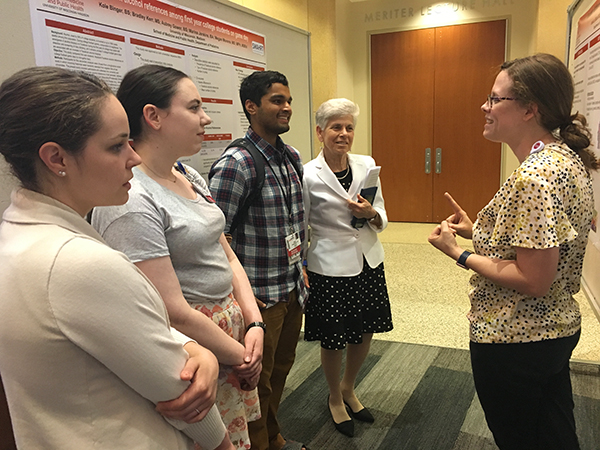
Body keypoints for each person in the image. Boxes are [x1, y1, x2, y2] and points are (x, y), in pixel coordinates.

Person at [0, 66, 235, 450]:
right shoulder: (77, 263)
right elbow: (177, 388)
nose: (132, 158)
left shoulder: (20, 232)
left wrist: (196, 350)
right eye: (115, 146)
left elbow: (132, 331)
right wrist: (221, 441)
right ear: (56, 157)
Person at [428, 53, 598, 450]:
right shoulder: (564, 158)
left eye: (494, 99)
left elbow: (533, 279)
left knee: (520, 438)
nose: (484, 107)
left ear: (528, 110)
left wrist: (459, 253)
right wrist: (479, 232)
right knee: (553, 433)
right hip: (554, 331)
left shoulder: (535, 176)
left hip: (516, 338)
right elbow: (543, 242)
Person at [91, 65, 263, 450]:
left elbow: (227, 256)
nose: (206, 118)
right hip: (194, 348)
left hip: (232, 334)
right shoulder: (132, 198)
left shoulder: (186, 173)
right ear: (153, 117)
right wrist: (241, 356)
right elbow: (169, 308)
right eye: (194, 107)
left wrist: (254, 324)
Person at [208, 71, 308, 450]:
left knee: (280, 371)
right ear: (251, 107)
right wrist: (241, 299)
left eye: (288, 100)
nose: (286, 108)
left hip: (291, 288)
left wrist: (301, 272)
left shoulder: (291, 156)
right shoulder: (237, 163)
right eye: (276, 101)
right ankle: (260, 444)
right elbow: (215, 238)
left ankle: (273, 435)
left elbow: (294, 222)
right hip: (259, 300)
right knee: (255, 385)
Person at [302, 98, 393, 437]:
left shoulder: (366, 164)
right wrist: (303, 265)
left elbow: (381, 213)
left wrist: (370, 214)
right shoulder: (308, 174)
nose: (343, 134)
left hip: (368, 258)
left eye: (349, 127)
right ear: (320, 132)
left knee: (365, 328)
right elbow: (302, 224)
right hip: (329, 264)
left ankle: (349, 387)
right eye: (336, 127)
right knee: (334, 337)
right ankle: (333, 397)